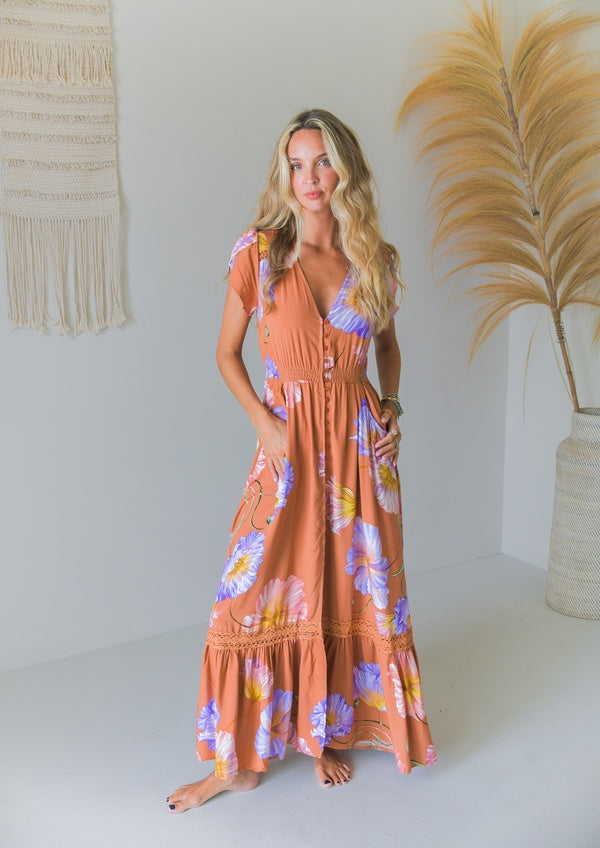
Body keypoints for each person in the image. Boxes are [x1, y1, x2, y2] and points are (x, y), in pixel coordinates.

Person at [167, 108, 436, 813]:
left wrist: (392, 409)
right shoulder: (259, 254)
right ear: (283, 174)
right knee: (246, 597)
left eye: (322, 162)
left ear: (345, 170)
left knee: (346, 589)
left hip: (358, 452)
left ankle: (328, 733)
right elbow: (226, 354)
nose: (309, 178)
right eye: (296, 164)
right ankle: (236, 765)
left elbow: (387, 347)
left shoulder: (374, 259)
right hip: (287, 448)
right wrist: (264, 423)